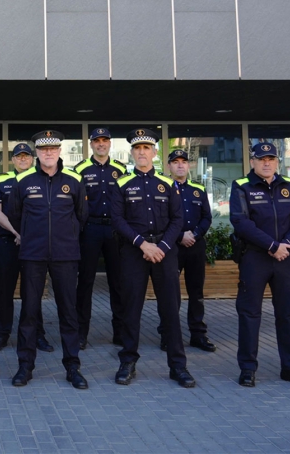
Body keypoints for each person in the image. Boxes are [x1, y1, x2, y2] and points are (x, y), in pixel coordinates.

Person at [109, 129, 196, 388]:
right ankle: (127, 362)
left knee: (170, 309)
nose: (142, 152)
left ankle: (178, 366)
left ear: (155, 153)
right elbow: (118, 219)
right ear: (132, 153)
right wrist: (143, 245)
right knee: (130, 310)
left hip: (165, 253)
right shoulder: (122, 184)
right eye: (138, 148)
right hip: (134, 253)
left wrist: (163, 245)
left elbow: (177, 219)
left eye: (147, 148)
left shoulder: (168, 184)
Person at [7, 130, 89, 389]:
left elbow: (81, 216)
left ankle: (73, 367)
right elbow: (14, 215)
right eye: (43, 150)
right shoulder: (24, 183)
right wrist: (32, 236)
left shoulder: (73, 182)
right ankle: (25, 366)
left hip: (65, 256)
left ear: (60, 151)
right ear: (37, 154)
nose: (49, 153)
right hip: (33, 255)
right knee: (29, 312)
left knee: (68, 312)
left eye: (53, 149)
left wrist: (66, 238)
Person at [230, 142, 290, 388]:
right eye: (261, 159)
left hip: (284, 258)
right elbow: (241, 222)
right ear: (253, 162)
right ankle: (247, 368)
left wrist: (286, 244)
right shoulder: (241, 187)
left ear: (277, 161)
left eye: (271, 159)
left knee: (286, 315)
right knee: (249, 314)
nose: (267, 163)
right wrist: (272, 245)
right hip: (255, 258)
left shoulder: (289, 186)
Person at [0, 143, 51, 353]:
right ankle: (1, 335)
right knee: (4, 291)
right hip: (9, 243)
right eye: (19, 156)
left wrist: (28, 236)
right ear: (13, 159)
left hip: (35, 245)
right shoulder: (1, 179)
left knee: (32, 292)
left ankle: (37, 335)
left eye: (26, 156)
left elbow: (46, 212)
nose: (23, 159)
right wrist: (18, 234)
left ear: (32, 159)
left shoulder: (42, 179)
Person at [157, 149, 216, 352]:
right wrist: (180, 235)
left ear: (188, 165)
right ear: (169, 166)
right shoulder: (162, 188)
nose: (180, 165)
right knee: (169, 293)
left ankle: (198, 334)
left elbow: (207, 217)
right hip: (172, 247)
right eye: (176, 162)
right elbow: (161, 219)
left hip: (195, 247)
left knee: (196, 292)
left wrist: (195, 234)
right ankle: (168, 334)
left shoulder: (198, 190)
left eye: (184, 162)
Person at [73, 127, 127, 349]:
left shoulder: (121, 169)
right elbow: (75, 202)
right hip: (91, 229)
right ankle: (81, 333)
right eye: (97, 141)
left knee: (118, 282)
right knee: (85, 282)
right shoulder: (80, 169)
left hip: (114, 231)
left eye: (105, 140)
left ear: (110, 144)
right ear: (91, 144)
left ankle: (120, 332)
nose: (101, 144)